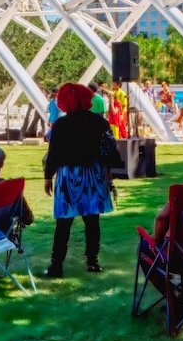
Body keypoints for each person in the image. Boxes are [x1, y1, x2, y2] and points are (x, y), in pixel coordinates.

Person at [43, 82, 123, 277]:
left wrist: (48, 177)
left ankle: (56, 265)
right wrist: (108, 172)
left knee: (63, 223)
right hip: (93, 175)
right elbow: (110, 150)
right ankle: (92, 262)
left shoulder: (60, 125)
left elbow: (53, 153)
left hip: (68, 177)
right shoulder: (99, 122)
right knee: (92, 221)